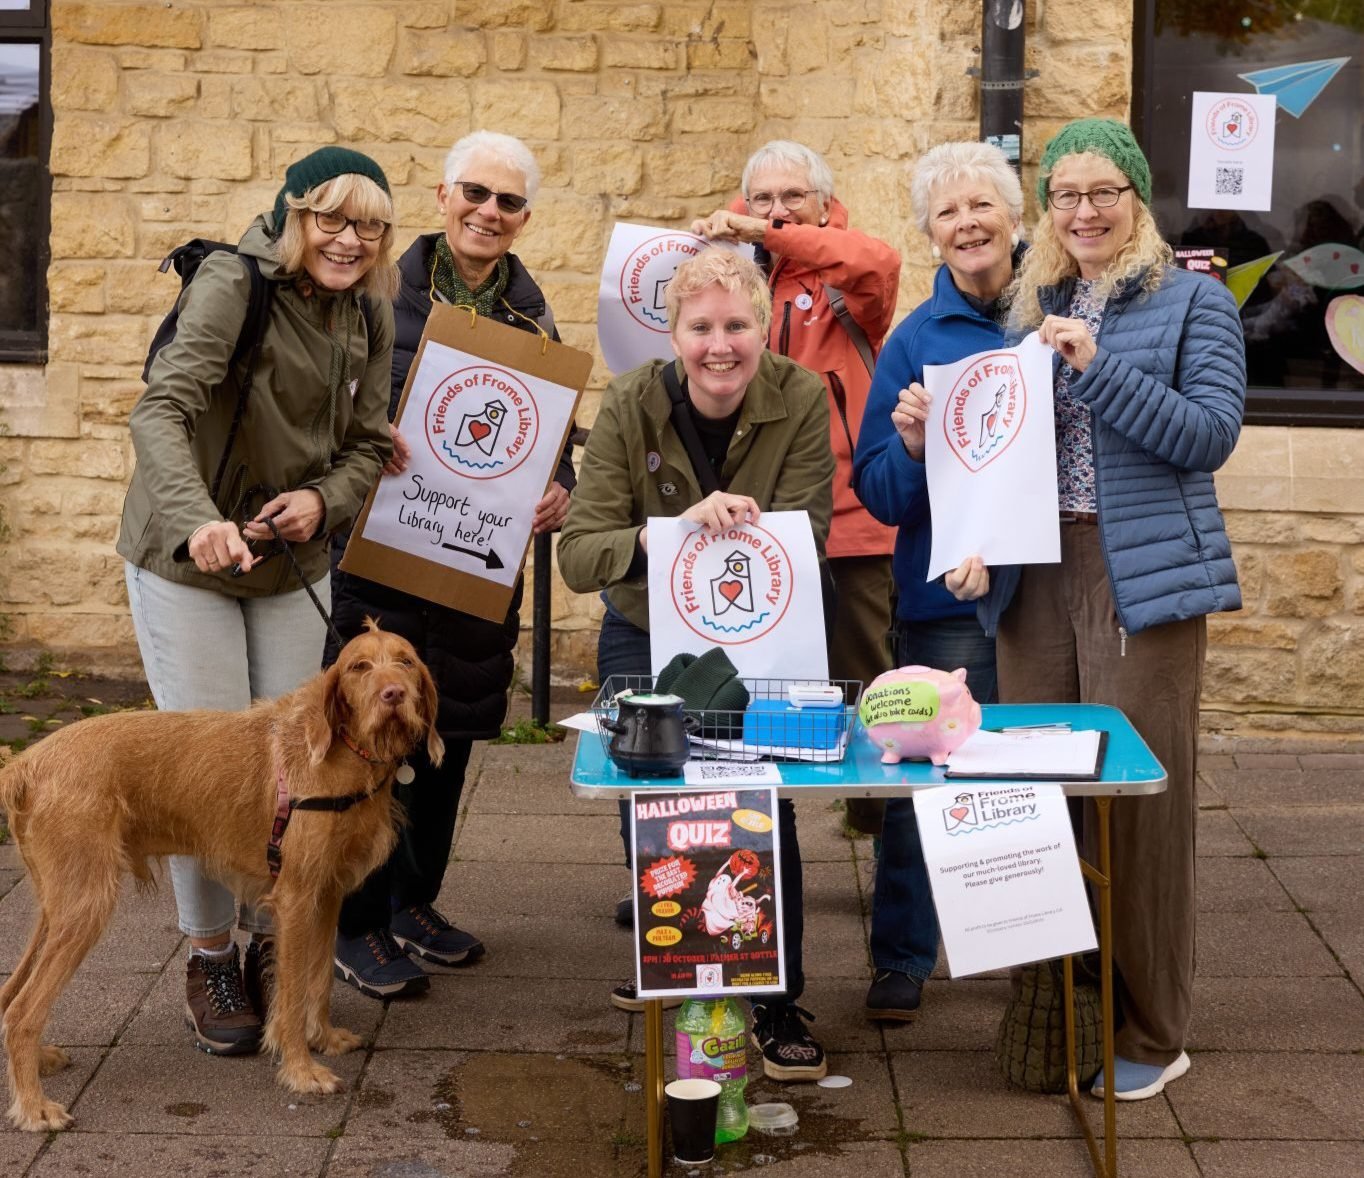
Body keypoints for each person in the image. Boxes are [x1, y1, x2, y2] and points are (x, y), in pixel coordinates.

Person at [930, 118, 1245, 1101]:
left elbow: (1207, 435)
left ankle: (1153, 1025)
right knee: (1034, 796)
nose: (1081, 209)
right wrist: (941, 470)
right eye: (1063, 192)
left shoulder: (1193, 301)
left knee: (1137, 803)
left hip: (1137, 576)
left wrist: (1094, 369)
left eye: (1102, 190)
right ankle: (1059, 1007)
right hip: (1033, 577)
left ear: (1137, 197)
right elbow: (994, 449)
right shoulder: (1034, 300)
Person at [117, 147, 397, 1056]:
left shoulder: (372, 313)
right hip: (189, 556)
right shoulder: (234, 286)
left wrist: (326, 499)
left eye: (369, 225)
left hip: (291, 561)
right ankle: (209, 956)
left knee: (298, 769)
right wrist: (200, 519)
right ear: (292, 215)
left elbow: (367, 444)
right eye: (331, 217)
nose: (349, 241)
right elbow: (159, 410)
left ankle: (282, 954)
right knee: (204, 772)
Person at [558, 248, 836, 1082]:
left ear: (765, 327)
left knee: (761, 815)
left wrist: (744, 527)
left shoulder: (800, 396)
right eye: (701, 327)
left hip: (758, 636)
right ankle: (681, 968)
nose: (721, 346)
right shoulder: (633, 403)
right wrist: (664, 531)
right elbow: (579, 553)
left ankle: (774, 996)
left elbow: (809, 535)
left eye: (738, 325)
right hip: (647, 634)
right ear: (673, 334)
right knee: (655, 816)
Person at [325, 131, 575, 999]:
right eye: (476, 192)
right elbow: (327, 407)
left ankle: (410, 903)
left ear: (524, 218)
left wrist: (560, 490)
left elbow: (550, 442)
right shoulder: (376, 289)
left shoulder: (532, 321)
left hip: (473, 572)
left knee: (447, 741)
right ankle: (350, 923)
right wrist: (368, 439)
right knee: (364, 743)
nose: (489, 212)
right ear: (442, 194)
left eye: (508, 202)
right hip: (383, 555)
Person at [852, 140, 1024, 1023]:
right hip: (944, 599)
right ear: (930, 234)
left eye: (981, 205)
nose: (967, 224)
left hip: (1046, 595)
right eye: (949, 213)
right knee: (928, 779)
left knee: (1037, 771)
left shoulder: (1057, 310)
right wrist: (914, 447)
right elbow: (875, 488)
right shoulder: (915, 340)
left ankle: (1031, 955)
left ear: (1013, 216)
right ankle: (904, 958)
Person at [690, 140, 900, 699]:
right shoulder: (728, 275)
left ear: (826, 207)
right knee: (752, 693)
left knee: (868, 693)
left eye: (792, 196)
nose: (776, 209)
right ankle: (767, 792)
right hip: (750, 519)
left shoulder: (844, 277)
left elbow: (880, 264)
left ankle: (875, 792)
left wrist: (762, 231)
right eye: (762, 199)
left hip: (850, 522)